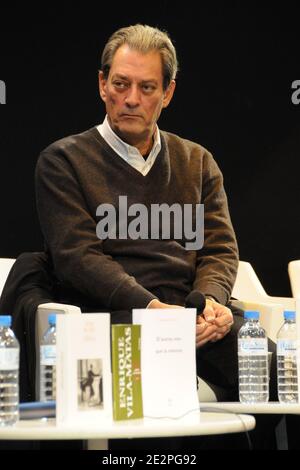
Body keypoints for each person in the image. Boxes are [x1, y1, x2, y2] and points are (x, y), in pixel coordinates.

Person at [35, 24, 279, 448]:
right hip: (113, 320)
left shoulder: (197, 161)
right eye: (121, 84)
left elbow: (220, 250)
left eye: (147, 87)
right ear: (101, 85)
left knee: (274, 370)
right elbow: (77, 257)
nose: (132, 99)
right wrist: (151, 308)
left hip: (193, 321)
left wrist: (211, 304)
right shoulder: (64, 161)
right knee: (152, 398)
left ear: (167, 93)